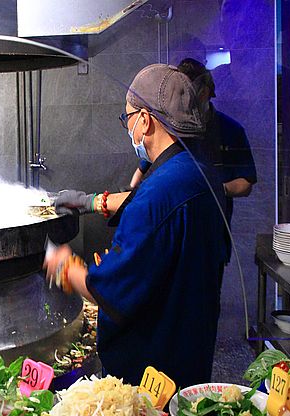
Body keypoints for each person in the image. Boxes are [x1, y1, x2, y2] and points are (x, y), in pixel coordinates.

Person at [45, 64, 229, 389]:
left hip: (150, 374)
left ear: (144, 120)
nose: (128, 129)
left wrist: (63, 266)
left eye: (127, 119)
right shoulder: (204, 174)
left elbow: (111, 291)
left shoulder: (157, 196)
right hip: (192, 359)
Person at [130, 58, 257, 224]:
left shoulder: (230, 130)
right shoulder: (170, 129)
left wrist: (212, 188)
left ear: (204, 93)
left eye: (186, 92)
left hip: (213, 221)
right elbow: (139, 175)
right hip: (172, 216)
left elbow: (245, 183)